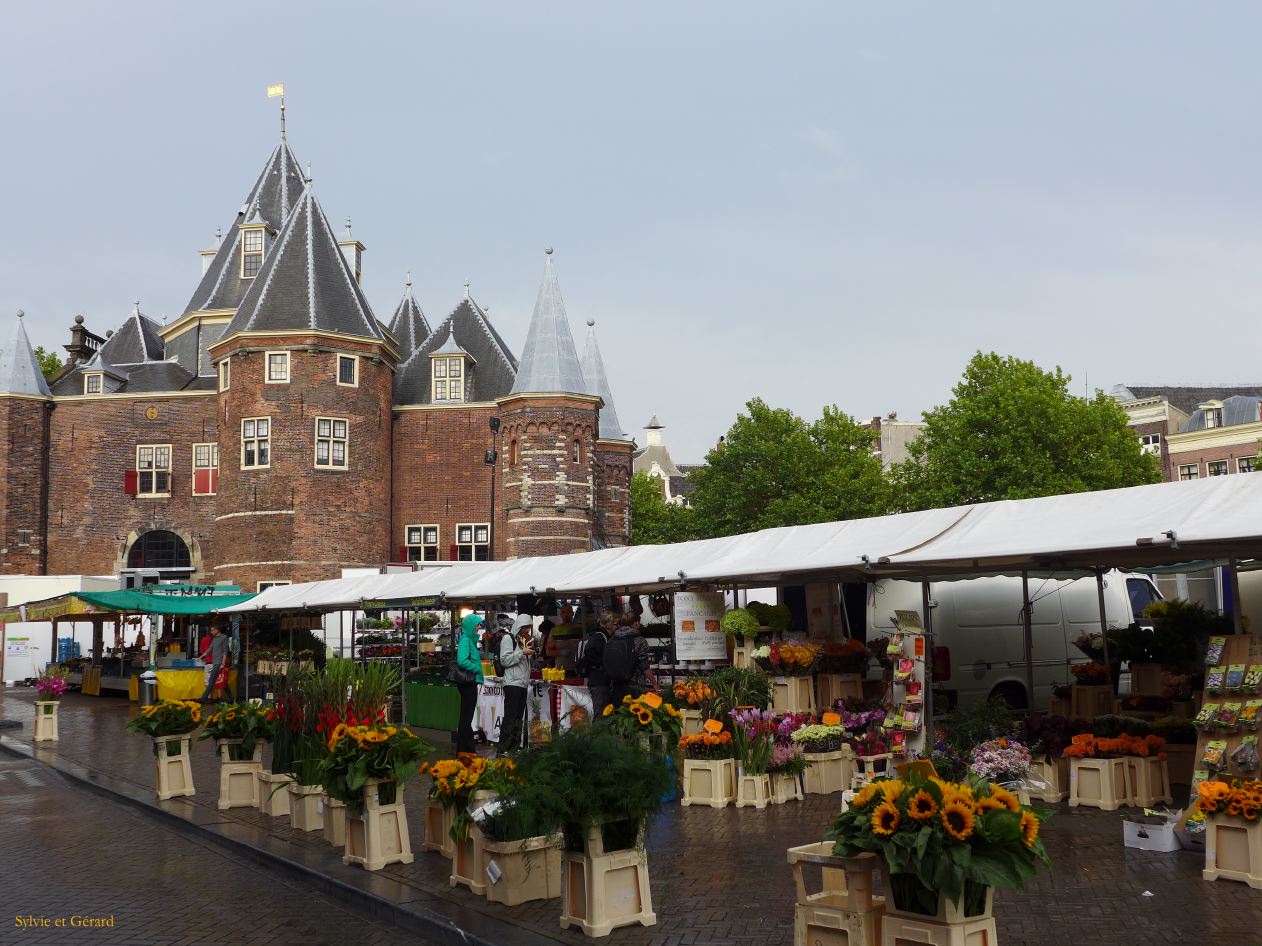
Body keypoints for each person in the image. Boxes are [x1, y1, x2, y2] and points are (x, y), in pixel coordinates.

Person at [497, 615, 535, 754]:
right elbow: (505, 660)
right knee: (510, 717)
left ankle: (513, 749)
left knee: (518, 718)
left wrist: (529, 650)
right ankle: (502, 750)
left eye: (529, 628)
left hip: (523, 683)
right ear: (519, 626)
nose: (527, 630)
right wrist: (521, 652)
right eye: (525, 627)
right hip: (512, 683)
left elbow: (525, 661)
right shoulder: (508, 638)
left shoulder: (523, 640)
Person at [604, 612, 657, 708]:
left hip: (615, 684)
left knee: (619, 716)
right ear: (636, 623)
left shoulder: (613, 638)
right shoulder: (639, 640)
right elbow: (644, 666)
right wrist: (655, 684)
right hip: (634, 685)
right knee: (634, 715)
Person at [455, 613, 486, 754]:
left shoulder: (469, 640)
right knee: (466, 718)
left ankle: (465, 750)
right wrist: (476, 669)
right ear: (470, 626)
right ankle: (467, 750)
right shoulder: (465, 640)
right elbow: (462, 660)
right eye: (477, 624)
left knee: (466, 718)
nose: (479, 627)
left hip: (470, 682)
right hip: (468, 682)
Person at [580, 611, 616, 718]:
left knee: (603, 712)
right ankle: (598, 734)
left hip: (600, 680)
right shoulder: (600, 636)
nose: (617, 626)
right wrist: (599, 664)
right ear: (609, 624)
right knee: (600, 713)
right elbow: (589, 650)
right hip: (599, 681)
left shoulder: (602, 635)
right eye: (615, 624)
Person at [198, 625, 231, 703]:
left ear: (217, 630)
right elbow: (210, 649)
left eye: (212, 630)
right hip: (215, 662)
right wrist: (201, 657)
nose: (211, 632)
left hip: (219, 663)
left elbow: (225, 651)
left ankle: (203, 699)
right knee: (223, 683)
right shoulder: (214, 638)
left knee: (211, 681)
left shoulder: (224, 637)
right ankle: (231, 698)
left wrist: (223, 662)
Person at [198, 629, 214, 695]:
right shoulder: (218, 639)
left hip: (209, 663)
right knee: (218, 682)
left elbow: (201, 651)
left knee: (208, 682)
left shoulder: (204, 639)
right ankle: (218, 698)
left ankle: (209, 697)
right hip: (217, 662)